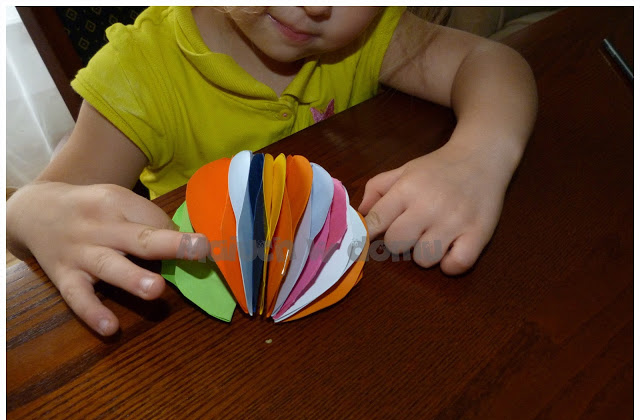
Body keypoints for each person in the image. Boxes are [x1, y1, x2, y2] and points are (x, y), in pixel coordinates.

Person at [6, 6, 537, 336]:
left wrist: (477, 157)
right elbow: (33, 208)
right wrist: (34, 212)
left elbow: (490, 62)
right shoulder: (138, 73)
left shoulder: (373, 33)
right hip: (206, 339)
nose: (315, 6)